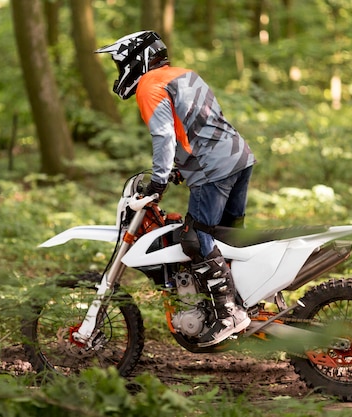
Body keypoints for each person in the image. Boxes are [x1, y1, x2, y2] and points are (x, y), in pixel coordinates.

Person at [96, 31, 256, 348]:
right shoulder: (185, 75)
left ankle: (229, 315)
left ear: (135, 58)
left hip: (214, 168)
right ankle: (243, 302)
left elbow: (165, 136)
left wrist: (157, 181)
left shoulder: (148, 85)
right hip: (240, 158)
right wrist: (179, 167)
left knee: (195, 239)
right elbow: (202, 123)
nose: (120, 70)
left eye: (120, 63)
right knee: (225, 240)